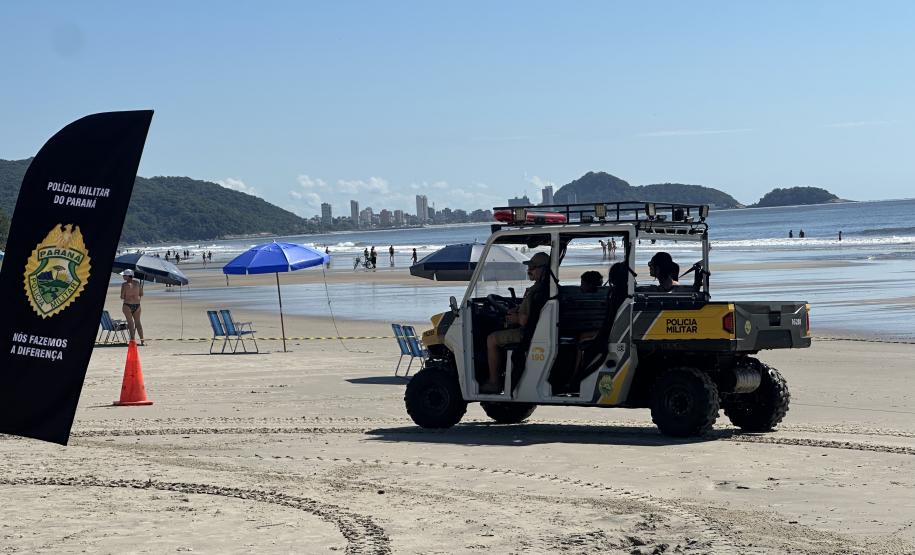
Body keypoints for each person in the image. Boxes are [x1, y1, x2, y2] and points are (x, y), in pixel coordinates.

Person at [483, 252, 550, 394]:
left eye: (533, 267)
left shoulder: (538, 290)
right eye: (529, 267)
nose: (529, 270)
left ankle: (494, 382)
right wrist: (517, 310)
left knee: (491, 339)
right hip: (535, 331)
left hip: (527, 334)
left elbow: (526, 321)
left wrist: (516, 318)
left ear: (543, 269)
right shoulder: (541, 287)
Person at [120, 269, 145, 345]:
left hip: (127, 304)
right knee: (138, 323)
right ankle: (142, 340)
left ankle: (132, 340)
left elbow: (122, 296)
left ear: (128, 276)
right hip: (137, 305)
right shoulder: (137, 283)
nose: (123, 276)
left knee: (130, 323)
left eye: (124, 275)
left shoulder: (124, 285)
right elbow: (141, 294)